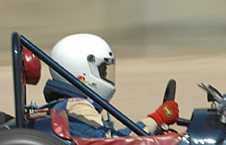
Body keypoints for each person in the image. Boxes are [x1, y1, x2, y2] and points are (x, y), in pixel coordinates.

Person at [43, 33, 178, 138]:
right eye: (102, 70)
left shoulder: (66, 106)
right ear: (82, 71)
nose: (106, 75)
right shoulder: (77, 107)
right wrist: (158, 118)